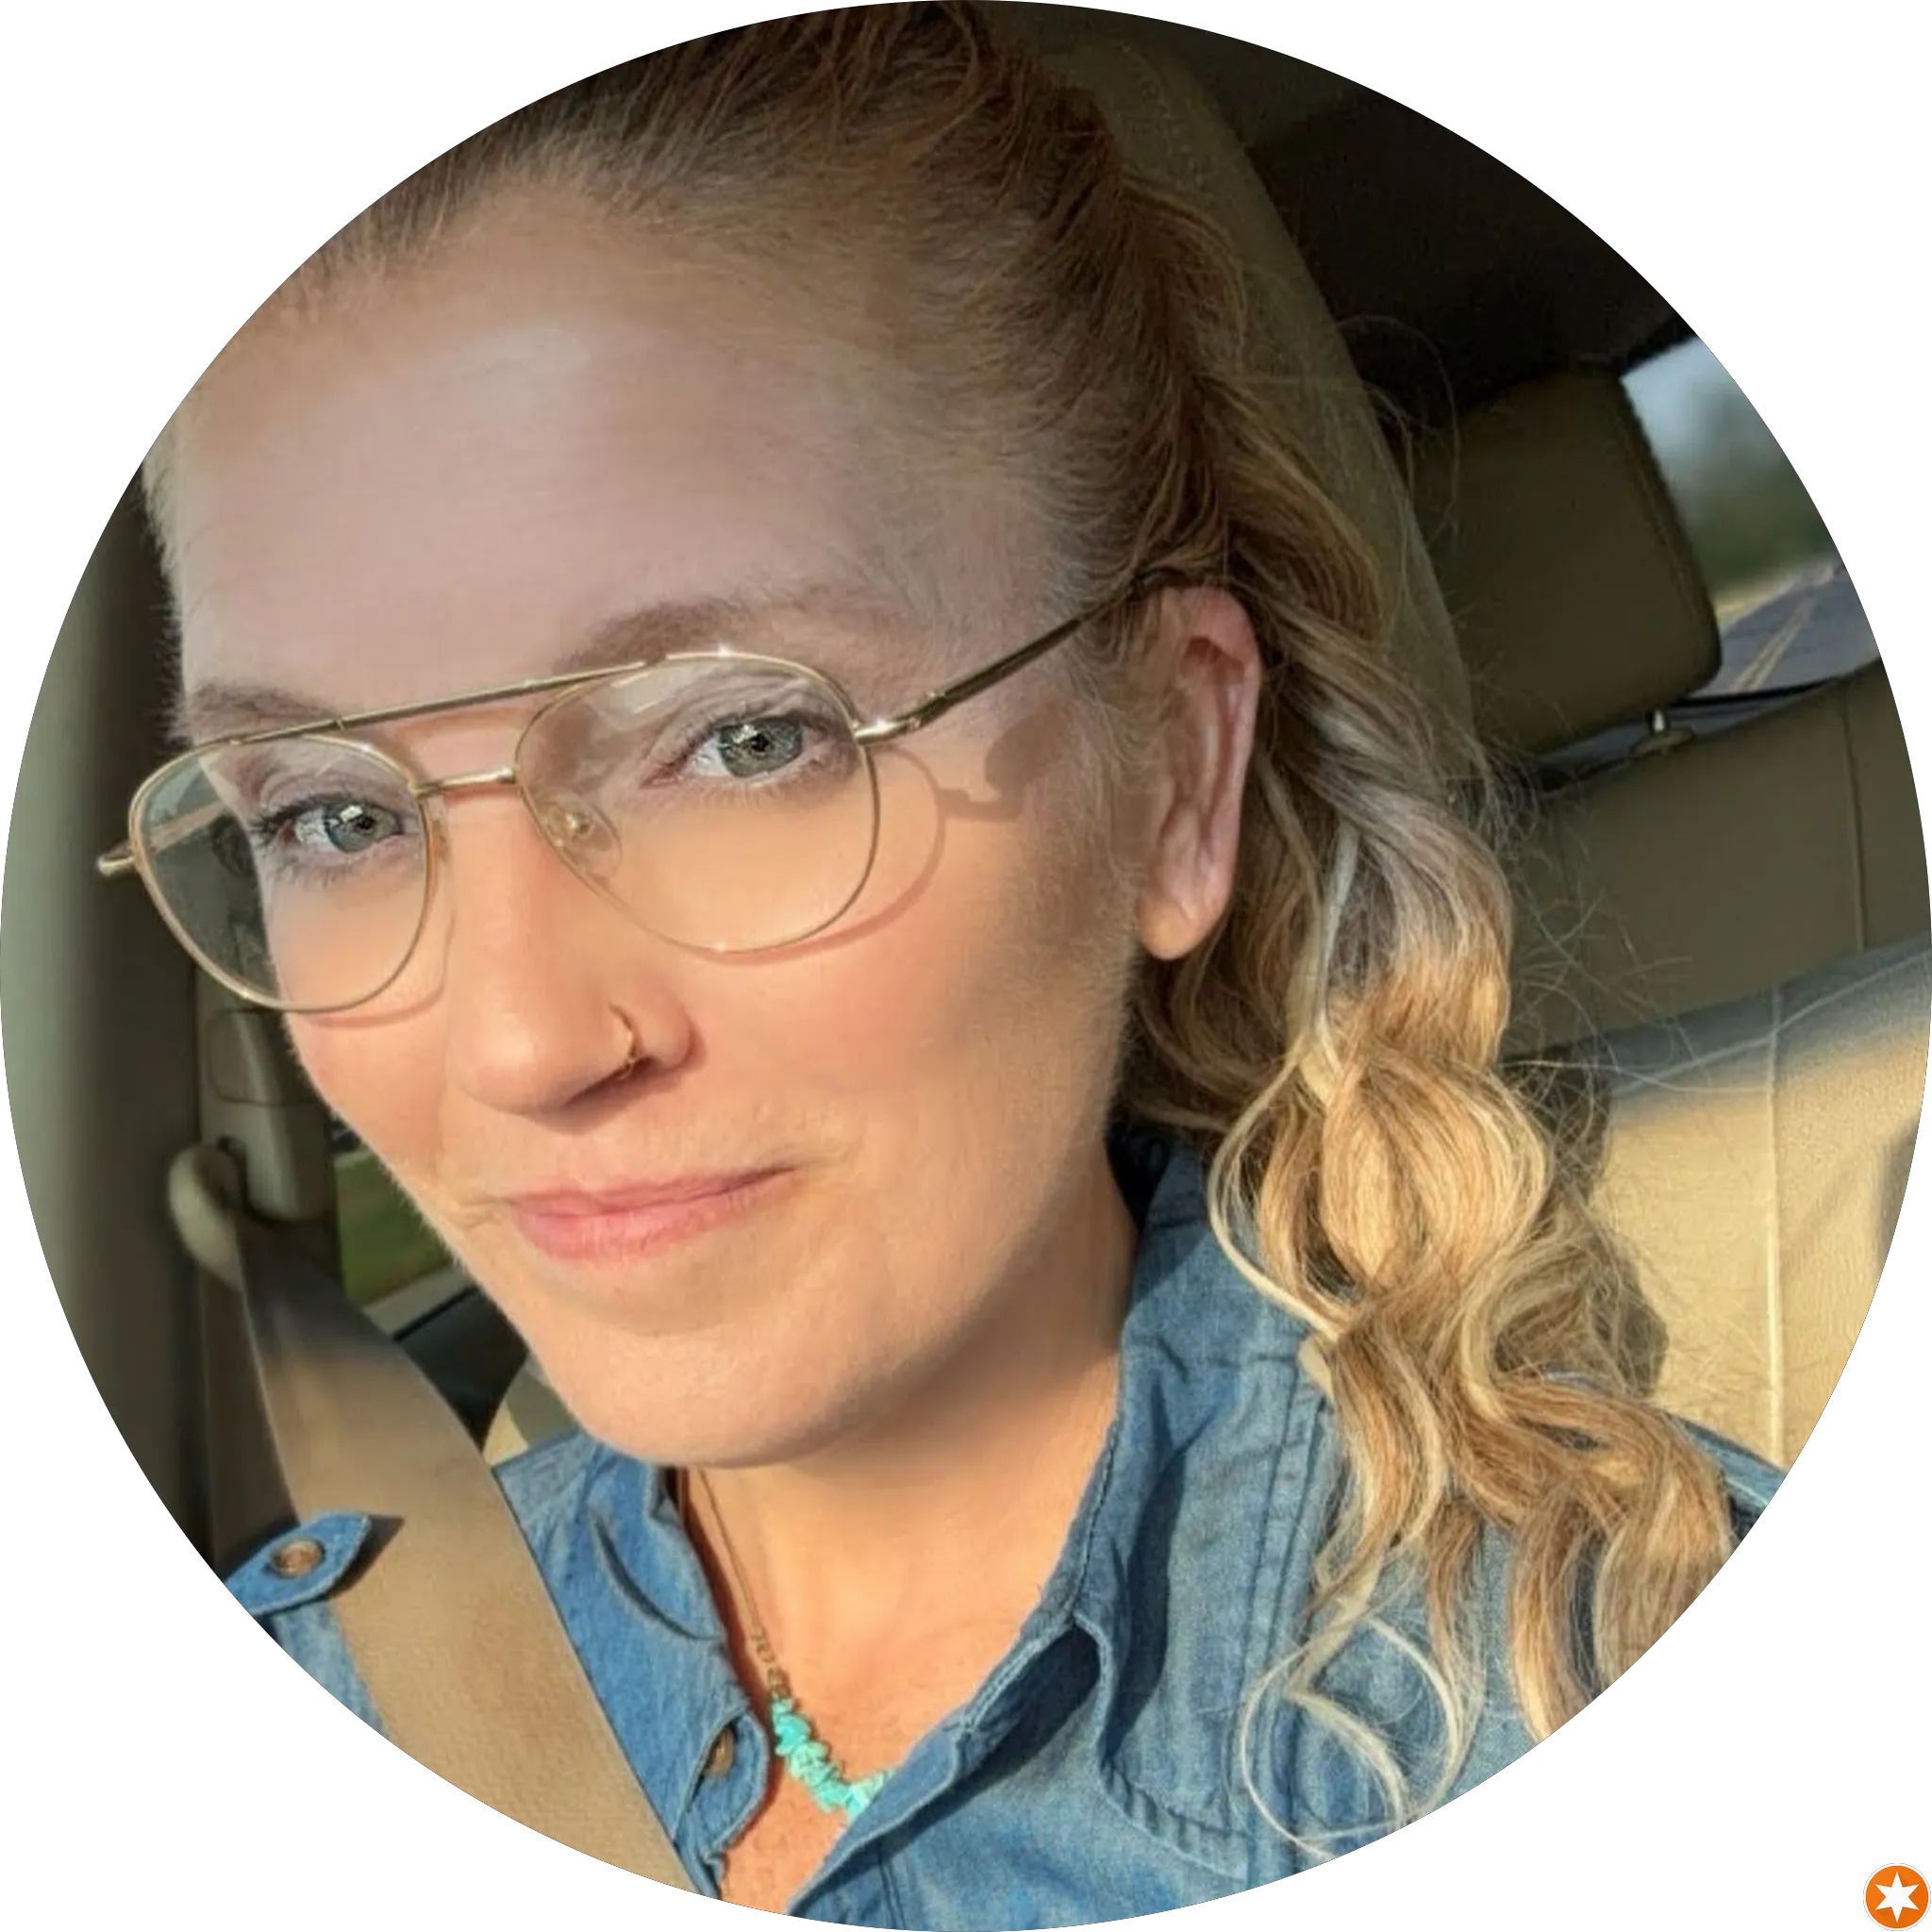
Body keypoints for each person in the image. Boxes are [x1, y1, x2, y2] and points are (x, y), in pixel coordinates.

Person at [111, 6, 1780, 1924]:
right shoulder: (348, 1658)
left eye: (746, 738)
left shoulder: (1548, 1670)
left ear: (1175, 773)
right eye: (333, 813)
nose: (513, 1039)